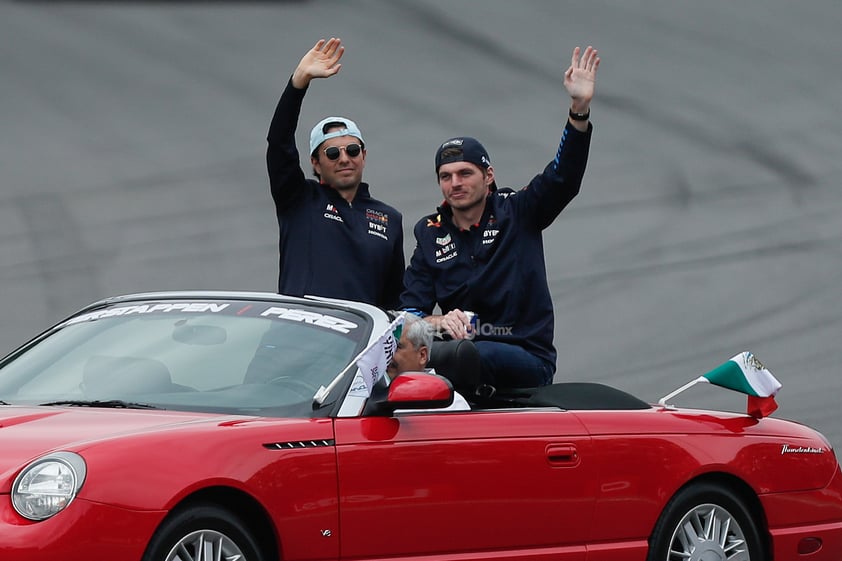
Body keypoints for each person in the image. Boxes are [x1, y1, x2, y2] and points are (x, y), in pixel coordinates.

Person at [400, 46, 601, 389]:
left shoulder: (518, 211)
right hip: (461, 354)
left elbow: (563, 178)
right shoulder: (429, 234)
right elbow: (409, 317)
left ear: (488, 175)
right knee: (404, 355)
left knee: (464, 355)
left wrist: (578, 110)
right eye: (446, 176)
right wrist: (441, 322)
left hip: (525, 355)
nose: (455, 183)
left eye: (465, 173)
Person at [266, 38, 404, 308]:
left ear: (364, 156)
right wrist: (298, 84)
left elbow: (394, 300)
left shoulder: (390, 218)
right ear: (316, 163)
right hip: (298, 332)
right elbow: (279, 143)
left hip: (359, 343)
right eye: (332, 153)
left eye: (352, 150)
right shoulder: (299, 199)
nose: (344, 158)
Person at [385, 313, 470, 411]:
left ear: (422, 355)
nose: (387, 354)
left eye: (396, 347)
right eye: (385, 346)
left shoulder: (452, 406)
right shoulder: (367, 395)